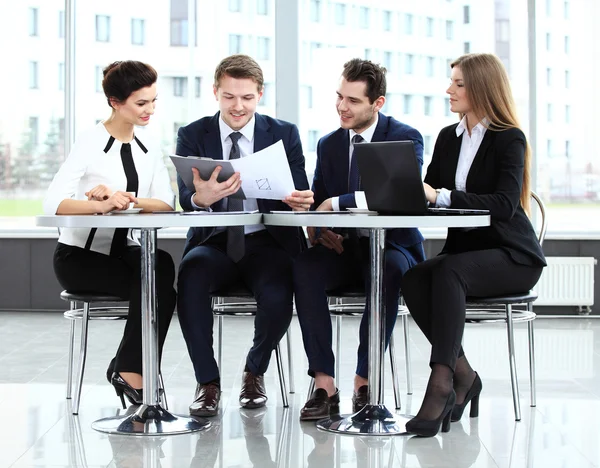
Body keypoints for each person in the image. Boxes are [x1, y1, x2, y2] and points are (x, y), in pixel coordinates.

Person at [402, 53, 546, 437]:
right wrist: (401, 193)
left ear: (482, 87)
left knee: (449, 271)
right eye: (452, 82)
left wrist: (442, 196)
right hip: (465, 256)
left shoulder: (508, 138)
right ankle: (466, 375)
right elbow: (428, 193)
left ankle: (442, 383)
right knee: (413, 277)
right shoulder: (448, 138)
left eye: (459, 84)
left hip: (512, 255)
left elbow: (503, 203)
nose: (449, 89)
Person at [176, 54, 314, 417]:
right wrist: (198, 198)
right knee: (190, 275)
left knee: (278, 293)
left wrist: (298, 199)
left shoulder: (283, 133)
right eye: (229, 97)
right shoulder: (193, 134)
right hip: (215, 241)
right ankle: (207, 382)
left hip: (266, 241)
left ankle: (255, 370)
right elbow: (183, 197)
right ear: (215, 92)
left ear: (260, 94)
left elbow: (300, 189)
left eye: (247, 98)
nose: (238, 107)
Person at [294, 58, 426, 421]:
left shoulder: (405, 137)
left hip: (392, 246)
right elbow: (318, 200)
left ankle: (364, 381)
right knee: (304, 268)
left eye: (352, 100)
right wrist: (318, 228)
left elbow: (396, 194)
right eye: (339, 97)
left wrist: (336, 203)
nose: (341, 106)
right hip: (343, 249)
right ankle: (324, 384)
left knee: (387, 272)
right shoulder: (329, 144)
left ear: (377, 103)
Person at [43, 60, 177, 407]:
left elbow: (165, 203)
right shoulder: (89, 142)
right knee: (152, 285)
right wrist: (98, 205)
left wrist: (127, 200)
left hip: (124, 253)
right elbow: (53, 203)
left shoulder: (149, 148)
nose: (150, 110)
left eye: (153, 101)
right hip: (79, 258)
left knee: (159, 267)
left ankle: (128, 369)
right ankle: (134, 373)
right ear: (116, 102)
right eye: (141, 103)